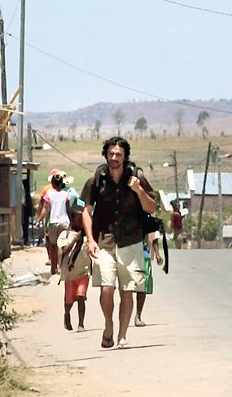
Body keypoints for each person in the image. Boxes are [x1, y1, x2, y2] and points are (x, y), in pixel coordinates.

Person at [80, 136, 157, 349]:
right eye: (111, 154)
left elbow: (152, 208)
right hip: (104, 241)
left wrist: (139, 191)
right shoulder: (96, 179)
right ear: (105, 155)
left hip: (131, 241)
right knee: (106, 288)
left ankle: (122, 336)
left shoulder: (137, 177)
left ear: (125, 157)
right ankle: (108, 325)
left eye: (119, 155)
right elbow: (86, 210)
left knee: (127, 290)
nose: (114, 158)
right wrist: (90, 239)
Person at [57, 204, 91, 332]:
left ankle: (81, 324)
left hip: (83, 273)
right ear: (72, 219)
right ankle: (67, 314)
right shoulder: (64, 235)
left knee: (81, 297)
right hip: (70, 275)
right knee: (69, 301)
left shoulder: (87, 236)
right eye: (78, 218)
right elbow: (64, 250)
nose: (80, 221)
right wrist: (75, 240)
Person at [35, 173, 71, 275]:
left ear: (52, 184)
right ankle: (60, 267)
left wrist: (38, 221)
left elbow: (45, 209)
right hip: (64, 222)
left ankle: (53, 267)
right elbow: (68, 210)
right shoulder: (66, 195)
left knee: (53, 246)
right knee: (62, 245)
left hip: (53, 223)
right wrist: (72, 221)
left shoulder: (49, 195)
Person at [134, 230, 164, 327]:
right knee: (127, 288)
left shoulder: (149, 218)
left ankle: (138, 316)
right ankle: (124, 315)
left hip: (144, 255)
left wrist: (157, 254)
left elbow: (154, 238)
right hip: (129, 254)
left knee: (143, 287)